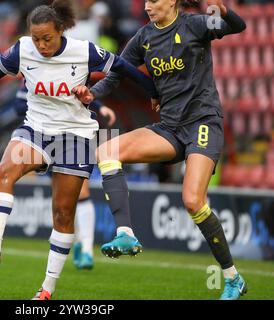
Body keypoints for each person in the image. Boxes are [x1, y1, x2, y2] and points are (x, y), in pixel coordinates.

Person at [0, 0, 157, 300]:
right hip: (35, 130)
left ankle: (47, 289)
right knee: (4, 172)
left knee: (63, 213)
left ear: (60, 30)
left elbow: (126, 68)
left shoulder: (85, 51)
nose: (41, 44)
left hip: (75, 137)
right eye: (36, 38)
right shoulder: (22, 50)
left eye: (46, 38)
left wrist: (154, 91)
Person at [73, 0, 247, 300]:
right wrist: (92, 93)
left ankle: (232, 277)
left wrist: (224, 10)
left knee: (192, 201)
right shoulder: (143, 37)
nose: (148, 5)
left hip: (203, 123)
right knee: (107, 151)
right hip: (170, 128)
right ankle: (126, 233)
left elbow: (237, 27)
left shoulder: (195, 25)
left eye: (154, 0)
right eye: (146, 1)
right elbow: (116, 74)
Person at [7, 83, 117, 270]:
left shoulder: (66, 68)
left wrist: (100, 107)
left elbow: (82, 95)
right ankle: (79, 242)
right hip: (44, 138)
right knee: (63, 198)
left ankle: (87, 250)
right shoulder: (31, 76)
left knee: (81, 192)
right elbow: (18, 107)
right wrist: (46, 106)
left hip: (73, 135)